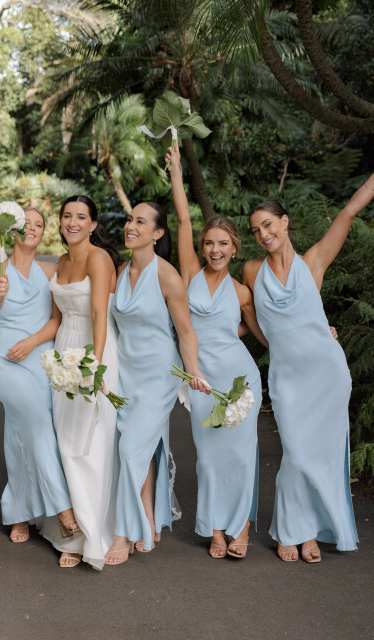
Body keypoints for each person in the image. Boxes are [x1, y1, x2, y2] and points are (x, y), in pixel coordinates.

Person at [242, 175, 374, 562]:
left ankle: (308, 533)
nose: (263, 234)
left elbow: (348, 212)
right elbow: (247, 314)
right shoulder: (251, 271)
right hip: (287, 378)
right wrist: (273, 343)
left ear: (284, 222)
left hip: (326, 374)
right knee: (297, 455)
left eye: (268, 224)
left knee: (323, 456)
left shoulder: (313, 261)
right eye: (255, 230)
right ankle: (290, 529)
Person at [167, 143, 266, 559]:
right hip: (201, 378)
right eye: (209, 243)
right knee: (208, 459)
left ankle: (240, 527)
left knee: (241, 456)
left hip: (239, 378)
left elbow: (260, 332)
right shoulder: (190, 272)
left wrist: (319, 334)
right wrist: (176, 171)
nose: (215, 250)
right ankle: (215, 529)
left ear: (235, 247)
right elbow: (183, 217)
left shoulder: (242, 291)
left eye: (223, 243)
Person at [105, 198, 210, 566]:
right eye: (130, 219)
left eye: (141, 222)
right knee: (143, 447)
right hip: (126, 373)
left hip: (159, 374)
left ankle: (122, 534)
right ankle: (148, 520)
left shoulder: (167, 276)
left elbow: (186, 332)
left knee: (131, 448)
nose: (131, 226)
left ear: (157, 233)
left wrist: (193, 370)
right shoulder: (120, 270)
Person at [0, 208, 77, 547]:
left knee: (19, 431)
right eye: (27, 224)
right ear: (13, 232)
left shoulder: (50, 271)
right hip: (5, 361)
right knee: (36, 423)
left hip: (41, 360)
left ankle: (19, 512)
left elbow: (55, 320)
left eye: (40, 225)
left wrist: (32, 342)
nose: (33, 229)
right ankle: (63, 508)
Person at [37, 195, 122, 570]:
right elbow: (56, 319)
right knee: (65, 439)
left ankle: (91, 533)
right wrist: (30, 344)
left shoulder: (99, 258)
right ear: (60, 222)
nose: (73, 222)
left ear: (93, 224)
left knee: (91, 443)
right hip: (63, 350)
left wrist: (95, 365)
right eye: (67, 216)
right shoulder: (61, 262)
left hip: (93, 350)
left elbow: (100, 314)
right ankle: (71, 532)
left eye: (81, 217)